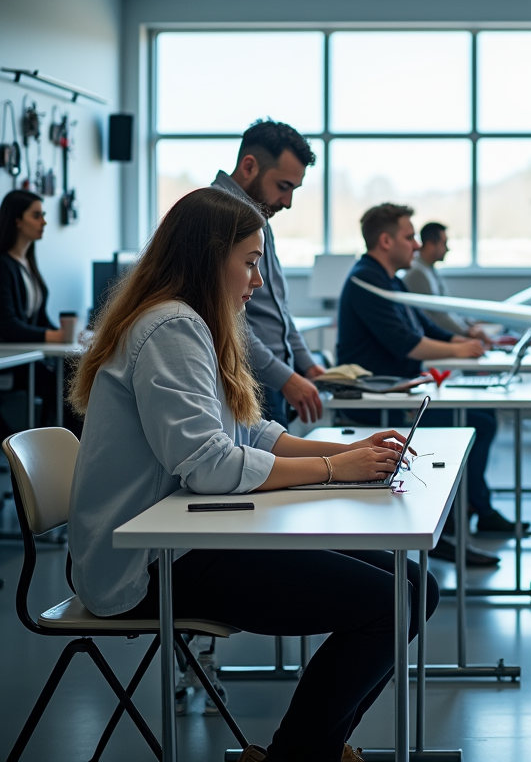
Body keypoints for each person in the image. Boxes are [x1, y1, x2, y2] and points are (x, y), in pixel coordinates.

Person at [68, 188, 436, 762]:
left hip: (186, 537)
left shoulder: (194, 321)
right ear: (208, 259)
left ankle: (313, 744)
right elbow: (209, 464)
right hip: (147, 561)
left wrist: (344, 455)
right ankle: (302, 752)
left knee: (418, 589)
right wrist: (334, 468)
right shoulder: (170, 329)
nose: (257, 280)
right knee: (392, 602)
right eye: (249, 261)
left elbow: (246, 431)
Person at [336, 203, 525, 565]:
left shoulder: (388, 279)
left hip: (396, 392)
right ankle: (453, 530)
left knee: (480, 421)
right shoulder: (367, 280)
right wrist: (461, 347)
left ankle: (466, 518)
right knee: (477, 423)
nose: (417, 245)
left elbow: (423, 325)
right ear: (386, 240)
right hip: (377, 401)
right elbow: (406, 342)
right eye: (410, 237)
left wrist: (459, 343)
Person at [211, 119, 325, 427]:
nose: (287, 203)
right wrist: (286, 377)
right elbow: (226, 319)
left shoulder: (256, 217)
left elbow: (277, 308)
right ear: (249, 166)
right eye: (283, 187)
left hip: (270, 376)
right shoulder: (216, 216)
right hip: (248, 376)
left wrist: (306, 365)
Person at [0, 189, 81, 434]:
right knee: (68, 384)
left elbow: (39, 317)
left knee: (76, 372)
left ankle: (71, 449)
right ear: (17, 220)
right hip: (13, 363)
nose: (44, 221)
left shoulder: (28, 263)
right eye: (36, 215)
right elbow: (8, 326)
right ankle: (61, 450)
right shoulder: (3, 265)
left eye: (43, 215)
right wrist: (54, 336)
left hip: (29, 358)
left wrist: (64, 333)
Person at [402, 221, 490, 340]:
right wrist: (466, 332)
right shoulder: (417, 273)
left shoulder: (428, 268)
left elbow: (447, 309)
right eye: (444, 243)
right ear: (430, 245)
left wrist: (471, 324)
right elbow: (437, 316)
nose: (448, 249)